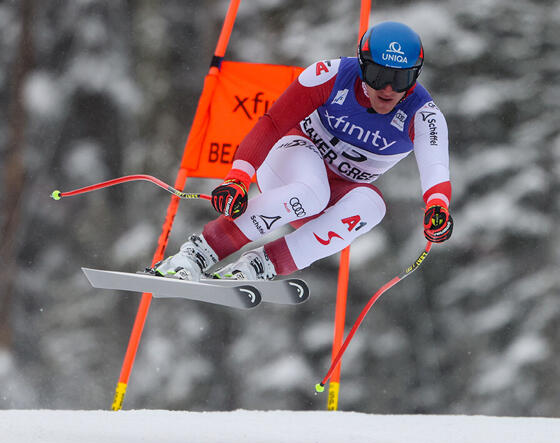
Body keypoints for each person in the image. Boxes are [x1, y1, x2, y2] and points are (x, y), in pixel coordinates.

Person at [151, 21, 453, 281]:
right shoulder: (330, 75)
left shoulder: (423, 114)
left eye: (400, 79)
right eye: (377, 75)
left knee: (372, 206)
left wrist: (437, 207)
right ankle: (199, 252)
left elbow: (435, 167)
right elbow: (272, 124)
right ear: (362, 66)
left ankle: (263, 263)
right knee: (312, 191)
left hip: (332, 196)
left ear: (415, 77)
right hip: (291, 159)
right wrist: (238, 178)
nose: (387, 89)